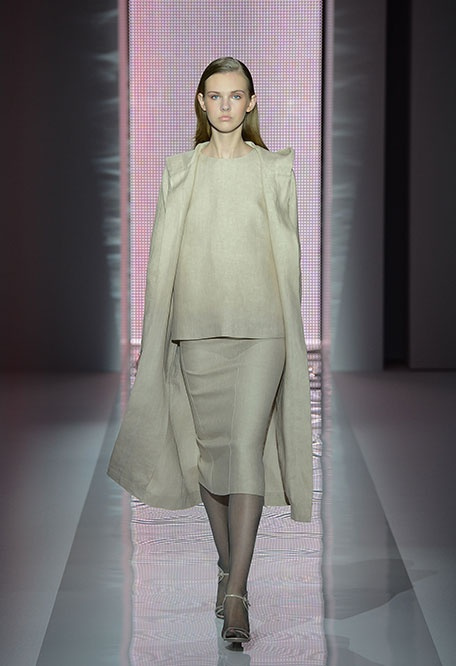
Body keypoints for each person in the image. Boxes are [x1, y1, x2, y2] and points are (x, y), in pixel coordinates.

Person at [108, 57, 313, 645]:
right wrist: (156, 333)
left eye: (236, 95)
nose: (226, 105)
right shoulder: (180, 171)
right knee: (209, 456)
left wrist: (292, 331)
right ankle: (228, 564)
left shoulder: (275, 169)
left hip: (262, 330)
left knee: (244, 450)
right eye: (216, 95)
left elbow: (289, 259)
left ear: (252, 102)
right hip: (197, 329)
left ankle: (237, 591)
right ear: (200, 102)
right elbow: (162, 259)